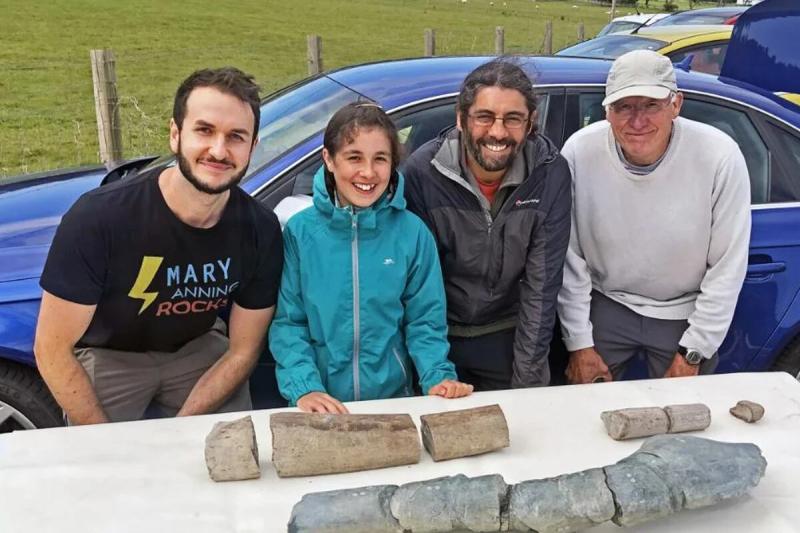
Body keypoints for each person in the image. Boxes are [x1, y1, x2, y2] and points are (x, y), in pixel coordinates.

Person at [34, 67, 283, 424]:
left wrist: (180, 432)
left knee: (230, 457)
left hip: (198, 348)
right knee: (101, 470)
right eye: (204, 130)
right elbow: (51, 349)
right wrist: (102, 443)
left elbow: (244, 351)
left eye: (236, 137)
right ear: (175, 134)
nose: (218, 149)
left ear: (252, 147)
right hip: (110, 354)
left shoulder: (260, 228)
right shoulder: (100, 217)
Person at [557, 50, 751, 383]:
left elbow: (727, 267)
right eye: (623, 107)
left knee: (685, 417)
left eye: (651, 105)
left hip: (684, 309)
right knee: (582, 410)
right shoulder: (579, 152)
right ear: (606, 110)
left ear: (676, 104)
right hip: (606, 302)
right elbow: (568, 257)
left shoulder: (719, 155)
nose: (637, 121)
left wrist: (694, 351)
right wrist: (579, 344)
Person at [269, 102, 473, 414]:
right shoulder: (300, 233)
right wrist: (304, 388)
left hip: (393, 404)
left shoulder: (412, 233)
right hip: (318, 407)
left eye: (380, 159)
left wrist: (437, 377)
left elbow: (425, 322)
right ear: (329, 159)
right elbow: (288, 323)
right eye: (354, 158)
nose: (367, 172)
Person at [401, 59, 572, 391]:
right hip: (436, 338)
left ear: (531, 122)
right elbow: (418, 287)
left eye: (513, 119)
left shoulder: (550, 174)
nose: (498, 132)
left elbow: (542, 287)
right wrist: (434, 369)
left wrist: (526, 387)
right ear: (461, 119)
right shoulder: (424, 172)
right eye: (484, 117)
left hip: (508, 337)